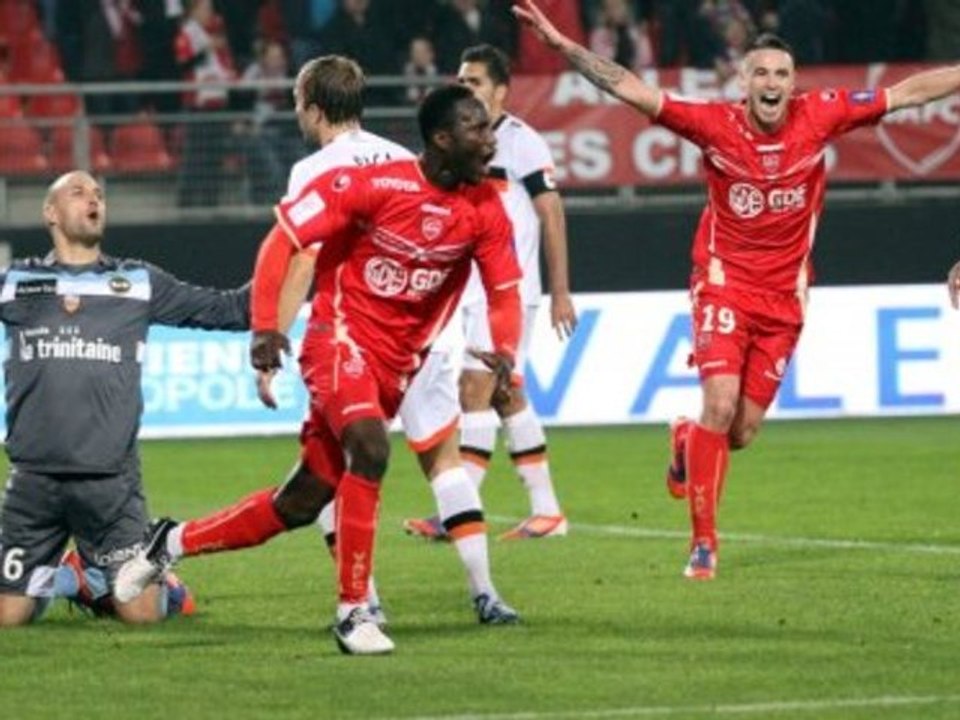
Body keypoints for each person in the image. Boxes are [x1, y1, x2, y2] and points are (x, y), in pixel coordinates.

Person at [514, 0, 960, 579]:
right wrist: (561, 45)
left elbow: (909, 92)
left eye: (780, 74)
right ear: (743, 80)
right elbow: (629, 87)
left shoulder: (822, 114)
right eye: (761, 73)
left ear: (793, 84)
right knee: (719, 405)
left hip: (785, 299)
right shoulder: (713, 124)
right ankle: (703, 544)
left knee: (740, 431)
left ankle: (685, 441)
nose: (771, 83)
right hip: (723, 283)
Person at [116, 82, 524, 656]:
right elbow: (281, 244)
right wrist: (265, 326)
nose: (490, 137)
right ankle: (355, 611)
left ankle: (169, 544)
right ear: (442, 137)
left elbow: (505, 294)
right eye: (478, 128)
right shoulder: (371, 184)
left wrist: (504, 348)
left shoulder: (487, 208)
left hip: (398, 366)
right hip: (339, 341)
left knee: (300, 502)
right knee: (372, 447)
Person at [266, 55, 518, 626]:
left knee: (338, 460)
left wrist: (274, 338)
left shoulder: (316, 171)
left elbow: (302, 260)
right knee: (443, 461)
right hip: (428, 336)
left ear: (311, 106)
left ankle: (365, 599)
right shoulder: (404, 157)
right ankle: (485, 593)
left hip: (359, 337)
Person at [0, 171, 250, 626]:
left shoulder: (137, 281)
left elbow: (232, 309)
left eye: (99, 194)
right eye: (78, 192)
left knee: (141, 616)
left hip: (110, 484)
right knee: (6, 618)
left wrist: (299, 253)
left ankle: (160, 584)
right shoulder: (14, 283)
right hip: (33, 481)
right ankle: (73, 577)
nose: (93, 199)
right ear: (50, 213)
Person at [403, 44, 577, 543]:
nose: (466, 89)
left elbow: (552, 214)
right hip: (471, 291)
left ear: (501, 90)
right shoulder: (462, 149)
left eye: (475, 81)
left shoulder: (521, 142)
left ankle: (460, 510)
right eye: (461, 80)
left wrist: (561, 289)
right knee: (506, 394)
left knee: (472, 389)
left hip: (511, 289)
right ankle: (547, 511)